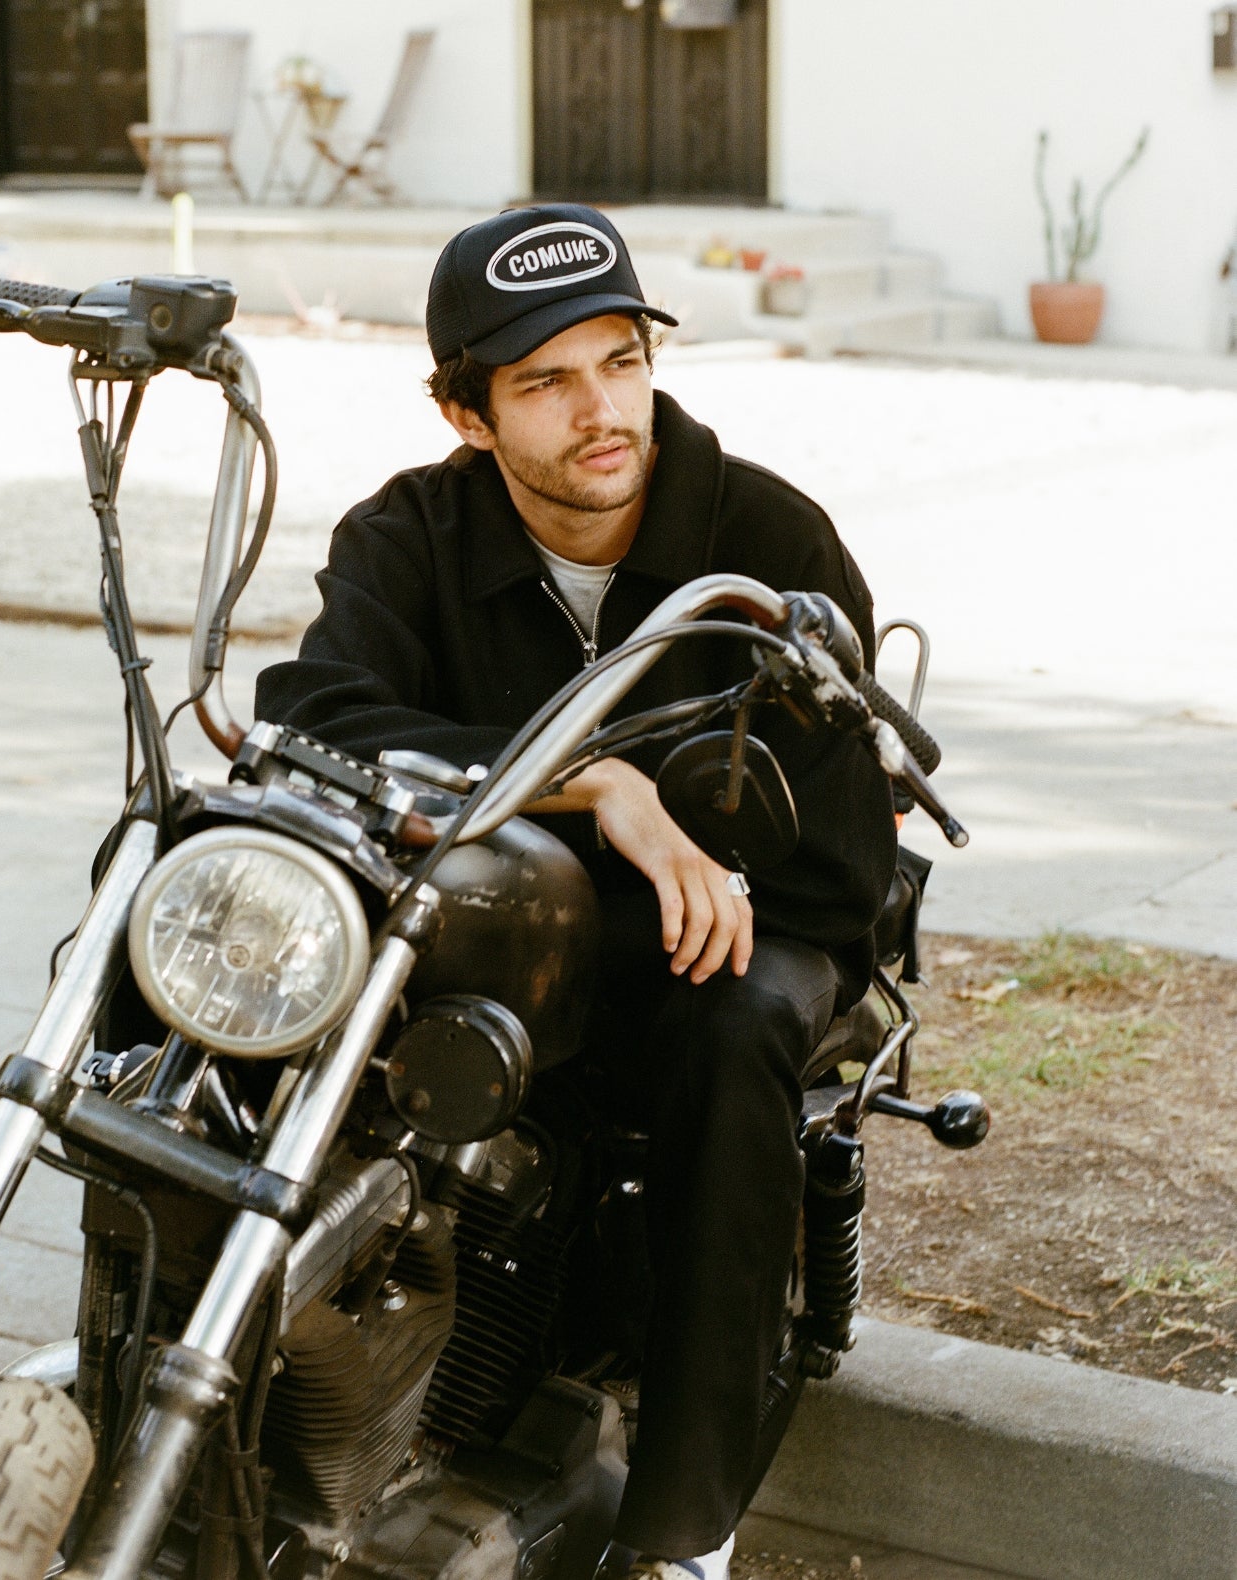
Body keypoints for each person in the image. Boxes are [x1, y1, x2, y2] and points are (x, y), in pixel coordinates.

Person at [255, 204, 897, 1580]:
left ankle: (686, 1531)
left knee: (732, 1039)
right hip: (507, 917)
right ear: (469, 412)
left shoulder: (768, 535)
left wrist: (702, 857)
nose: (598, 410)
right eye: (544, 381)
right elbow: (312, 710)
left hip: (752, 920)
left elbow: (844, 855)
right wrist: (595, 782)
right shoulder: (414, 531)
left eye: (618, 360)